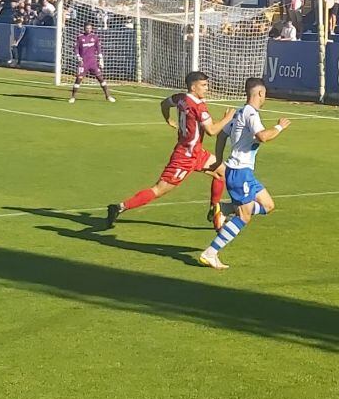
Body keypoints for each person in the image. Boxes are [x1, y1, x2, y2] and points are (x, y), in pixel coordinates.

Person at [105, 72, 235, 230]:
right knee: (159, 189)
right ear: (193, 87)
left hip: (196, 152)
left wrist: (168, 119)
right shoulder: (198, 106)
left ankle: (215, 210)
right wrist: (228, 118)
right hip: (185, 157)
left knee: (222, 172)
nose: (207, 88)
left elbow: (164, 104)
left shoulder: (180, 97)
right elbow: (212, 130)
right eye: (203, 85)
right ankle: (119, 207)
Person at [200, 78, 290, 270]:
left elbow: (222, 135)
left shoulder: (240, 111)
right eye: (264, 94)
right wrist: (280, 127)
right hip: (240, 173)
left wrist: (218, 159)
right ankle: (211, 253)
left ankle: (225, 208)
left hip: (243, 172)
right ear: (259, 94)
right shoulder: (250, 113)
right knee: (244, 217)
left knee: (268, 205)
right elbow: (263, 137)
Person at [69, 23, 115, 104]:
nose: (88, 29)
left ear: (92, 28)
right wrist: (78, 57)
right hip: (83, 62)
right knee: (78, 79)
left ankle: (108, 96)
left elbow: (98, 48)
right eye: (87, 28)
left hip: (93, 62)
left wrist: (101, 58)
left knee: (100, 78)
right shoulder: (80, 37)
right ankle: (73, 97)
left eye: (90, 28)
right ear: (84, 28)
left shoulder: (95, 37)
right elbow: (76, 49)